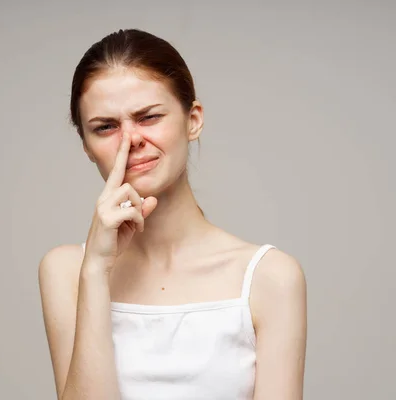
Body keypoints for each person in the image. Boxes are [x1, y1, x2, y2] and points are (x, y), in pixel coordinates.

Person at [38, 28, 307, 400]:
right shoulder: (68, 270)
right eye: (105, 127)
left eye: (148, 117)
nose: (130, 140)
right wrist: (97, 270)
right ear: (86, 145)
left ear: (192, 120)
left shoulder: (270, 277)